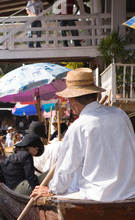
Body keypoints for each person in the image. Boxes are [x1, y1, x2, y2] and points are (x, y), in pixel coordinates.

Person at [31, 68, 135, 202]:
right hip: (130, 193)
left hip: (98, 197)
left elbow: (65, 170)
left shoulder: (78, 127)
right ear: (96, 95)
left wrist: (52, 190)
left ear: (72, 101)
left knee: (63, 193)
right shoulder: (120, 115)